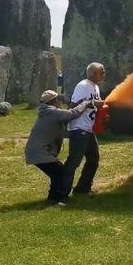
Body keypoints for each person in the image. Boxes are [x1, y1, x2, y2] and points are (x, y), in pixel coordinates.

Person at [24, 90, 98, 206]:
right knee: (59, 172)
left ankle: (54, 198)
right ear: (53, 101)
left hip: (36, 151)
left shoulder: (47, 113)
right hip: (40, 152)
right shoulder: (52, 112)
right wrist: (86, 103)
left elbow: (64, 133)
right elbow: (72, 113)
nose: (60, 102)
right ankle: (54, 199)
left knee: (57, 173)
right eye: (58, 99)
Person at [62, 62, 106, 197]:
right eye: (102, 72)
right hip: (79, 128)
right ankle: (61, 192)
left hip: (88, 129)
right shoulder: (83, 85)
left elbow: (93, 107)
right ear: (93, 73)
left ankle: (82, 189)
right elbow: (74, 106)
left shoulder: (96, 87)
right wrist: (92, 104)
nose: (104, 75)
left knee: (93, 159)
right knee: (74, 162)